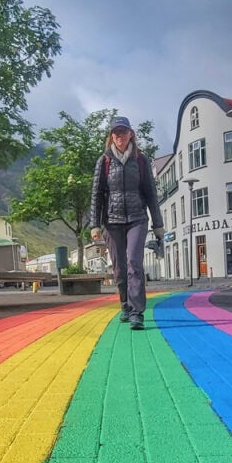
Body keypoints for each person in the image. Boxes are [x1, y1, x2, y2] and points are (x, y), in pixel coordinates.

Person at [89, 116, 163, 330]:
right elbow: (97, 194)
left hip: (137, 219)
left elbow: (150, 192)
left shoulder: (140, 160)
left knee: (134, 263)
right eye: (116, 132)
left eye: (123, 131)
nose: (120, 136)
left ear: (131, 134)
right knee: (120, 269)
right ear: (111, 136)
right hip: (112, 221)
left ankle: (136, 312)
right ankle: (124, 304)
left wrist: (157, 224)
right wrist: (95, 224)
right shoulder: (104, 161)